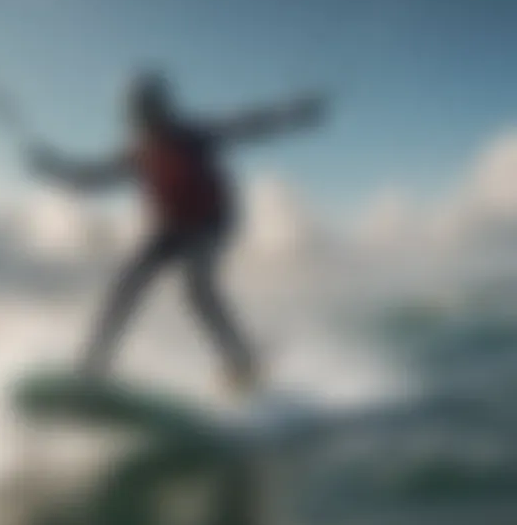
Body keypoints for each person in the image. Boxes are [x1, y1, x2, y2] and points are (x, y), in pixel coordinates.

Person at [27, 71, 327, 393]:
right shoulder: (140, 153)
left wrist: (297, 113)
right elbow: (92, 179)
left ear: (160, 108)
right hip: (169, 229)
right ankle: (93, 365)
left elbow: (249, 126)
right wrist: (52, 167)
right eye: (139, 113)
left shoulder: (191, 135)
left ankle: (242, 361)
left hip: (209, 225)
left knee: (197, 289)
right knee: (126, 285)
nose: (144, 119)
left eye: (148, 110)